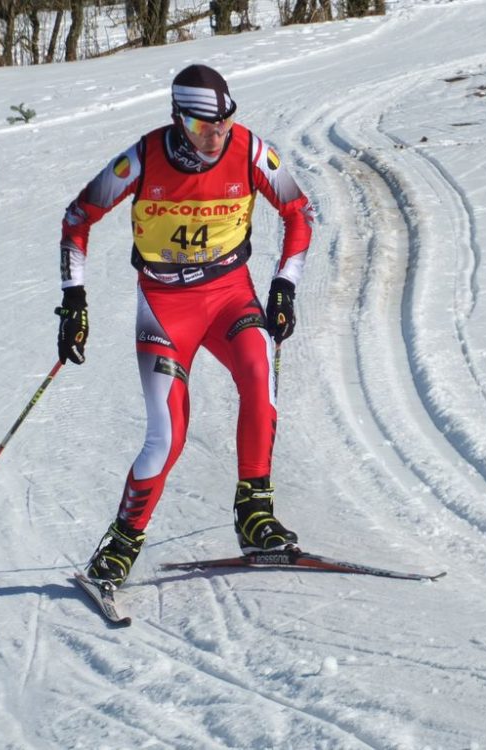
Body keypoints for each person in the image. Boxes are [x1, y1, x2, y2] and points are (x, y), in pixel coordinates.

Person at [56, 64, 314, 588]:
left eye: (223, 124)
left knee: (259, 381)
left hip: (229, 296)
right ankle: (122, 542)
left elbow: (298, 212)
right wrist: (74, 298)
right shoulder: (144, 158)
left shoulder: (249, 150)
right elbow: (78, 218)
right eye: (202, 128)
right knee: (167, 435)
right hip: (166, 307)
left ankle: (254, 513)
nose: (215, 138)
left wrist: (284, 283)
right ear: (178, 120)